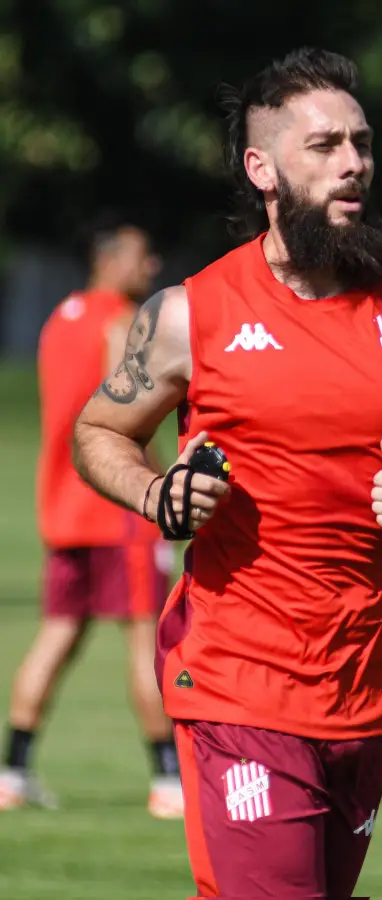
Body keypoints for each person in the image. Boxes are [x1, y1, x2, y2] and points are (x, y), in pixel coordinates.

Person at [73, 49, 382, 899]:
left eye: (362, 143)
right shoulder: (192, 313)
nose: (354, 164)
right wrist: (157, 493)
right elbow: (99, 430)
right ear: (262, 168)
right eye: (324, 146)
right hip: (236, 684)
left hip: (365, 692)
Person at [0, 214, 184, 819]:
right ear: (109, 260)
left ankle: (12, 771)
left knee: (57, 634)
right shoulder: (121, 321)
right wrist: (162, 487)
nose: (151, 265)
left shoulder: (60, 319)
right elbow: (128, 420)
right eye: (142, 255)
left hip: (62, 509)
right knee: (146, 638)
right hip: (117, 511)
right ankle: (168, 780)